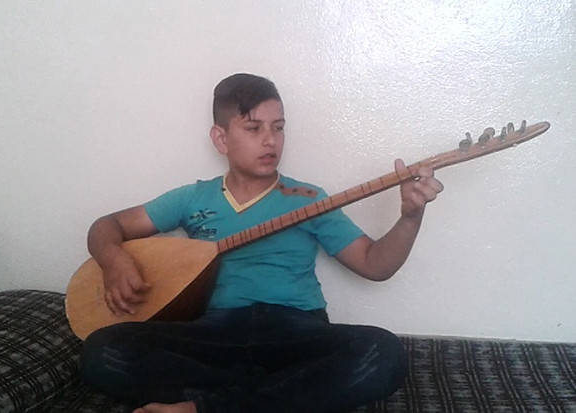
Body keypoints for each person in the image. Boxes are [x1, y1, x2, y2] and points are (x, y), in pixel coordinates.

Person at [80, 73, 444, 413]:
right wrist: (113, 259)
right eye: (254, 128)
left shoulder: (309, 199)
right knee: (101, 351)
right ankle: (264, 398)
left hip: (296, 334)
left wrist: (410, 216)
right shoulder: (192, 198)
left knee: (384, 353)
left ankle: (205, 406)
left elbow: (375, 264)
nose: (271, 140)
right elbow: (107, 226)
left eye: (278, 127)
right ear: (221, 138)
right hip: (214, 335)